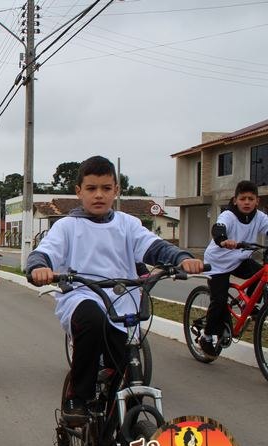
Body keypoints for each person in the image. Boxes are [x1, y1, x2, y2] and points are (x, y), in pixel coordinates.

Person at [26, 155, 204, 424]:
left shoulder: (128, 224)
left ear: (116, 191)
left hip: (124, 302)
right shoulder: (66, 226)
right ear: (79, 192)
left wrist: (180, 258)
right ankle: (78, 397)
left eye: (106, 188)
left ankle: (128, 431)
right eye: (91, 188)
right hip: (83, 296)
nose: (99, 195)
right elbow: (44, 253)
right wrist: (39, 268)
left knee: (130, 372)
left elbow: (155, 247)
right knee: (92, 320)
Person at [199, 180, 268, 356]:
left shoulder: (260, 217)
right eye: (243, 198)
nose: (246, 202)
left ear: (257, 201)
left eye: (250, 198)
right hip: (218, 263)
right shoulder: (229, 215)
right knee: (219, 301)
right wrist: (223, 239)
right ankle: (206, 336)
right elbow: (219, 227)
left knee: (262, 275)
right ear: (235, 200)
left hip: (239, 259)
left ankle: (248, 305)